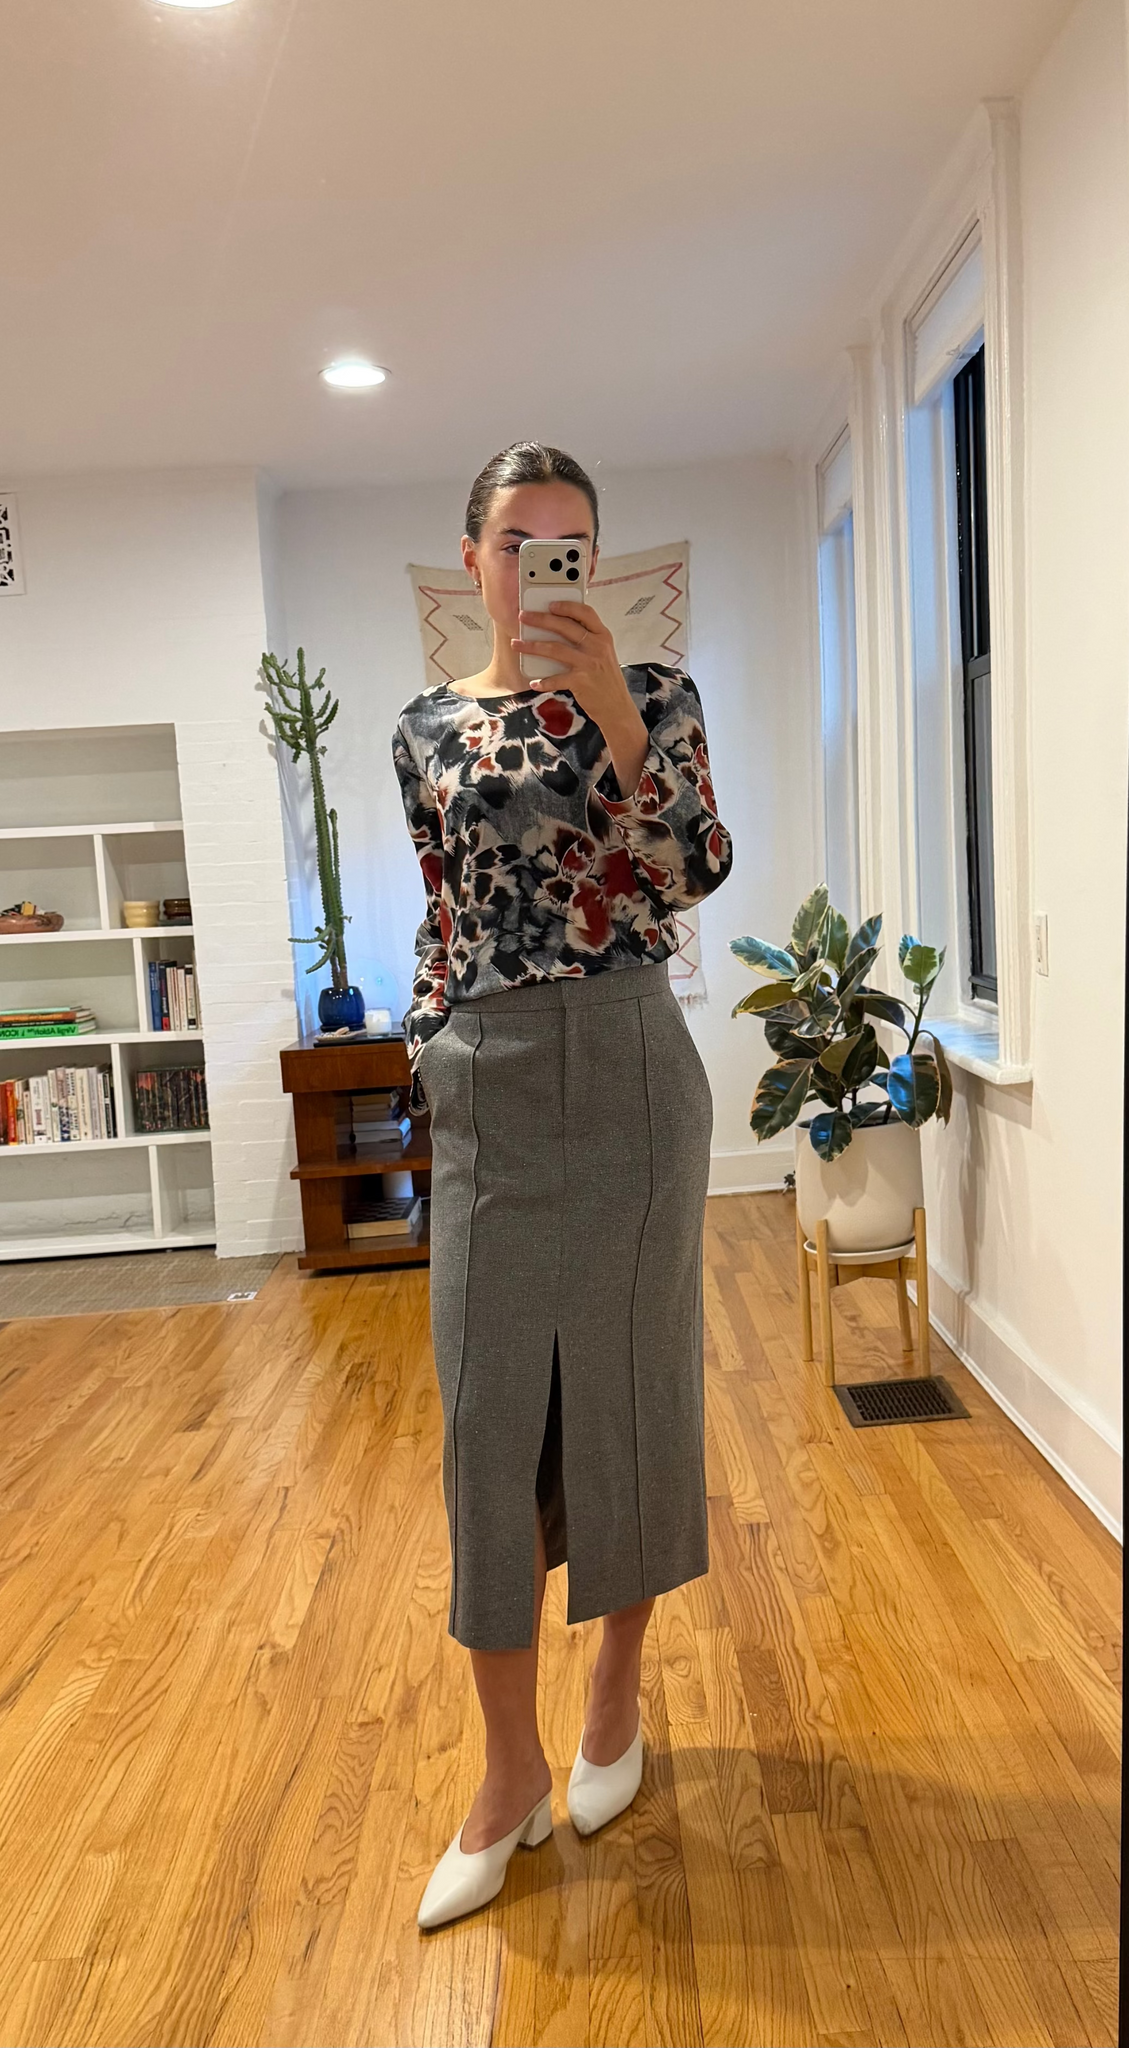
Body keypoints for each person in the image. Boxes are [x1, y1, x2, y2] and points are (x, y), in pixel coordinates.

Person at [392, 441, 733, 1929]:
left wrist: (610, 708)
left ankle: (615, 1700)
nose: (544, 565)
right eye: (519, 542)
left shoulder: (656, 697)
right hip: (486, 1090)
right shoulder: (420, 731)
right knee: (484, 1432)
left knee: (633, 1400)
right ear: (474, 564)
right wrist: (428, 1042)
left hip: (633, 1071)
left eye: (572, 542)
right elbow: (443, 907)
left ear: (600, 561)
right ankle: (506, 1772)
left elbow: (692, 868)